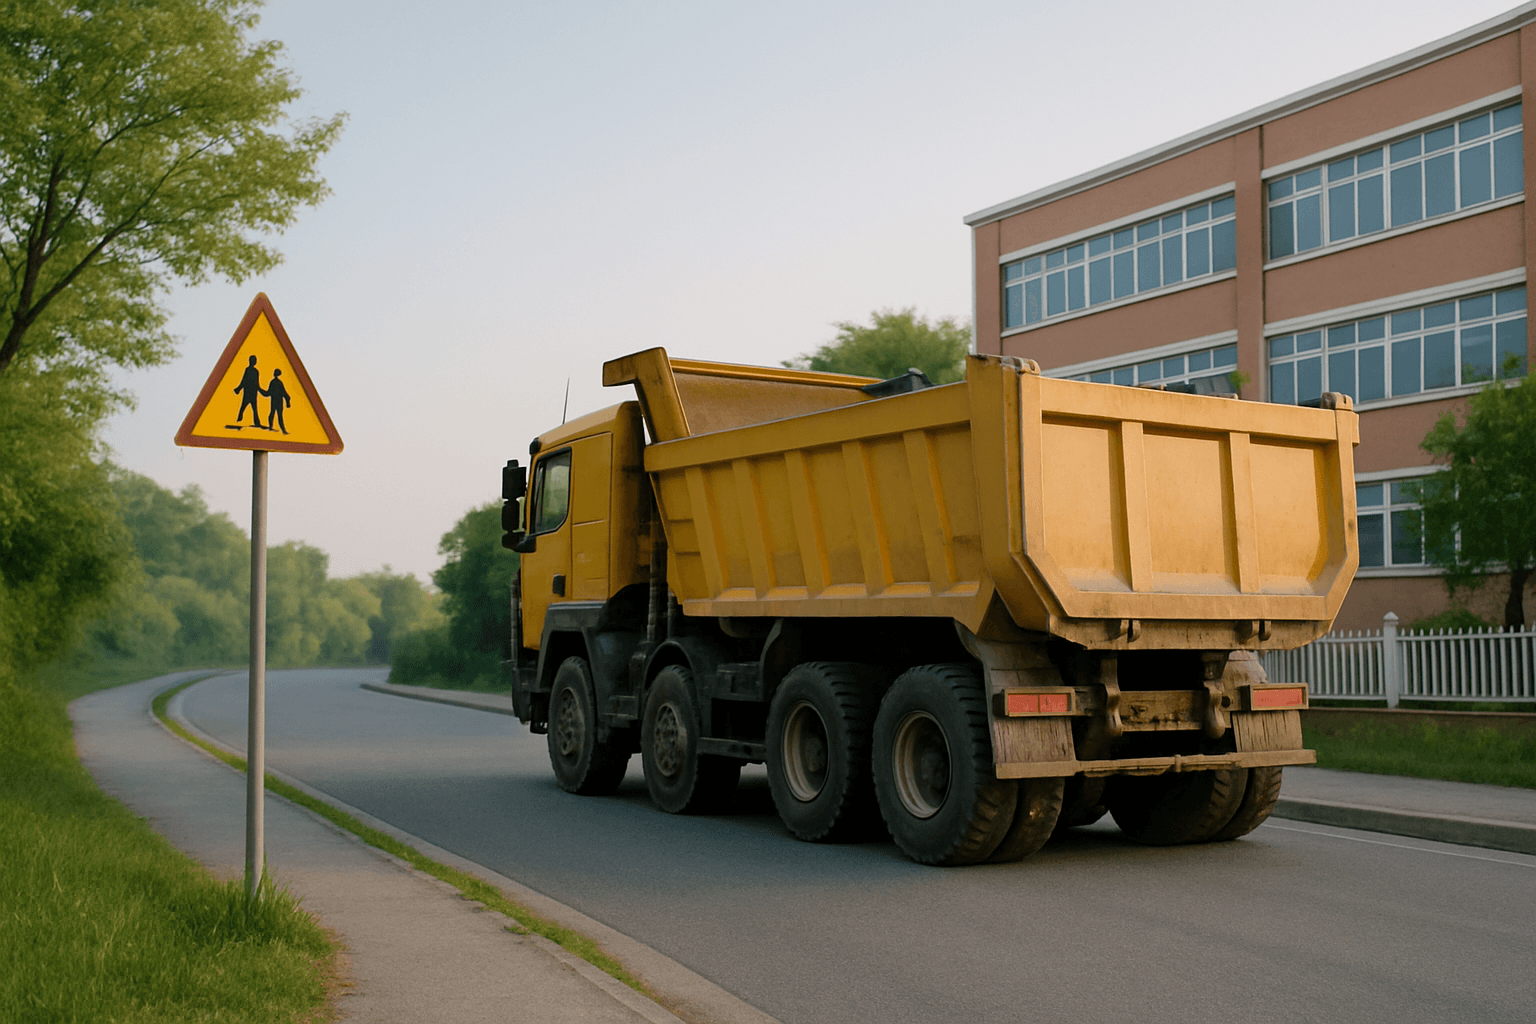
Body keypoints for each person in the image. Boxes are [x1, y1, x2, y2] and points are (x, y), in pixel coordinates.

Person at [233, 355, 263, 426]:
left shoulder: (253, 371)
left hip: (251, 392)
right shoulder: (252, 371)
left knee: (252, 407)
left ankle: (255, 422)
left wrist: (238, 389)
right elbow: (244, 381)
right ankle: (239, 419)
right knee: (247, 406)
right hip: (250, 392)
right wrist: (239, 388)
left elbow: (252, 382)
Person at [266, 368, 291, 434]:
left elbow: (283, 393)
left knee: (275, 414)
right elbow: (284, 393)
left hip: (277, 401)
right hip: (277, 401)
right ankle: (272, 427)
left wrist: (287, 402)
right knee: (275, 414)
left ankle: (280, 429)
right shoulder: (277, 382)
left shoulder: (274, 382)